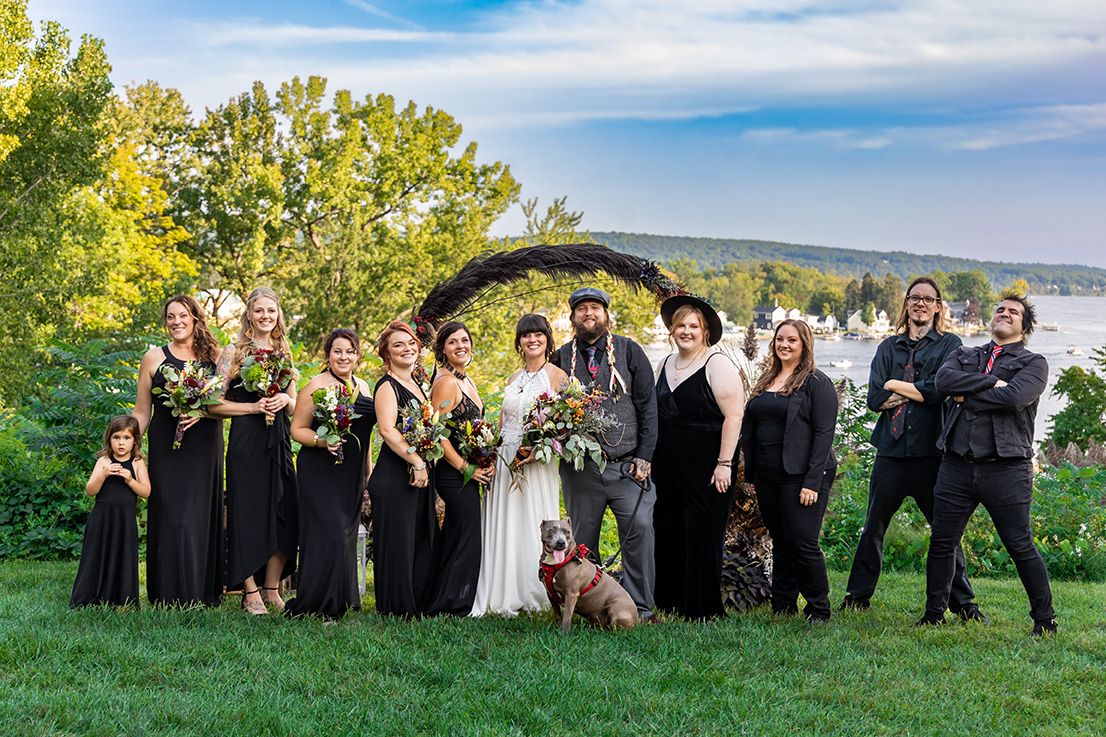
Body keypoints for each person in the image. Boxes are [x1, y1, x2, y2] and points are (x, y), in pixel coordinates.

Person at [841, 278, 981, 619]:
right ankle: (857, 597)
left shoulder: (950, 345)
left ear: (937, 306)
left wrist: (897, 385)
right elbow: (875, 398)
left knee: (944, 533)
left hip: (931, 455)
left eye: (928, 299)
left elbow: (939, 390)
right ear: (906, 303)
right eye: (915, 297)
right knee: (873, 528)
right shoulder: (888, 348)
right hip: (889, 452)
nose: (920, 303)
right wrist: (918, 390)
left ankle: (964, 605)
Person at [919, 293, 1057, 636]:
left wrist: (966, 395)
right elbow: (943, 383)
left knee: (1019, 544)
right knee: (942, 541)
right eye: (1000, 309)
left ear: (1025, 327)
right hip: (956, 465)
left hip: (1006, 469)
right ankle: (933, 615)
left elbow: (1013, 398)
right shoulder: (965, 354)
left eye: (1013, 312)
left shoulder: (1034, 363)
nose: (1004, 314)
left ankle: (1045, 620)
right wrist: (990, 382)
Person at [553, 287, 659, 622]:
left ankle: (641, 608)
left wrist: (644, 455)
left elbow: (648, 406)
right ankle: (592, 608)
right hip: (580, 470)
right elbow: (549, 407)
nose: (589, 313)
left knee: (639, 529)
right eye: (582, 308)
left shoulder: (629, 351)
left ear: (605, 314)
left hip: (627, 466)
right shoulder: (561, 357)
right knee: (583, 541)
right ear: (573, 317)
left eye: (595, 308)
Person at [652, 295, 744, 620]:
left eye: (693, 326)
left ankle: (703, 608)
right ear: (672, 330)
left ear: (705, 331)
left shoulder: (716, 364)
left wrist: (724, 464)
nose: (686, 331)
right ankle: (670, 601)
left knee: (702, 535)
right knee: (668, 530)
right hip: (666, 465)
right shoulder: (664, 364)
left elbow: (734, 415)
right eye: (680, 325)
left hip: (707, 465)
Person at [740, 319, 837, 622]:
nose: (784, 345)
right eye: (780, 339)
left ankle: (819, 607)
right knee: (780, 540)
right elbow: (752, 427)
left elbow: (824, 434)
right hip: (768, 475)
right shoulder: (767, 379)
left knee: (802, 541)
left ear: (804, 345)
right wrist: (752, 474)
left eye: (792, 340)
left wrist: (812, 482)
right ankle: (783, 604)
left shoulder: (817, 383)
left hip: (802, 475)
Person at [471, 314, 567, 616]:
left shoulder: (558, 376)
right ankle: (501, 587)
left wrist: (538, 449)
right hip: (506, 457)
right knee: (506, 520)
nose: (532, 339)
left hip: (537, 460)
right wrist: (490, 452)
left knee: (532, 519)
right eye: (526, 335)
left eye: (538, 334)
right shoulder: (513, 378)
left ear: (547, 339)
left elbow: (565, 426)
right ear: (519, 342)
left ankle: (535, 588)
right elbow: (504, 422)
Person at [133, 295, 224, 608]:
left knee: (198, 516)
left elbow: (225, 404)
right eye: (170, 317)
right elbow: (141, 412)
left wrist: (203, 411)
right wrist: (128, 447)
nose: (176, 322)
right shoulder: (153, 358)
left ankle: (202, 592)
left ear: (195, 318)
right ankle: (168, 593)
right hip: (166, 446)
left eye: (183, 315)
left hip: (204, 446)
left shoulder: (216, 357)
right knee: (173, 515)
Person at [213, 287, 298, 615]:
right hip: (246, 441)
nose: (265, 316)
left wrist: (285, 399)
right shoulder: (232, 353)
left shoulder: (284, 352)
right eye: (259, 310)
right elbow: (213, 404)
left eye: (271, 311)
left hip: (279, 439)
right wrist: (252, 407)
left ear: (278, 315)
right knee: (246, 512)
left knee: (286, 511)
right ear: (249, 314)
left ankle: (272, 587)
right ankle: (249, 591)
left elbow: (295, 406)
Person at [285, 328, 375, 620]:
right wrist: (323, 441)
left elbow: (366, 436)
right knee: (330, 533)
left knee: (345, 534)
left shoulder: (364, 387)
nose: (343, 357)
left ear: (357, 355)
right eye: (337, 351)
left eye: (350, 351)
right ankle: (321, 602)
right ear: (328, 355)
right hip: (320, 470)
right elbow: (297, 430)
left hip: (351, 473)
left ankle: (343, 598)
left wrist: (367, 471)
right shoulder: (317, 385)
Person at [368, 320, 438, 617]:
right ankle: (396, 607)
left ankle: (415, 601)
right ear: (387, 353)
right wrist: (417, 461)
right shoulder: (387, 386)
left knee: (415, 540)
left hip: (415, 472)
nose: (407, 348)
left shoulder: (417, 384)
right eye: (398, 345)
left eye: (411, 343)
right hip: (394, 475)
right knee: (398, 542)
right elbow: (387, 430)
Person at [425, 321, 495, 616]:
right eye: (452, 342)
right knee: (466, 536)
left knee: (458, 534)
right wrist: (466, 466)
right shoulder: (446, 382)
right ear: (442, 349)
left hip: (467, 473)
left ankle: (447, 600)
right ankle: (454, 604)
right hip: (452, 474)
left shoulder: (466, 380)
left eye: (464, 340)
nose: (460, 346)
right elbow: (437, 432)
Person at [70, 416, 151, 608]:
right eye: (116, 437)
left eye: (126, 438)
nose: (121, 442)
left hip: (124, 520)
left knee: (122, 556)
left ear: (135, 440)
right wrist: (103, 474)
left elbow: (146, 492)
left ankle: (122, 599)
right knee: (95, 555)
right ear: (109, 439)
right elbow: (90, 491)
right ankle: (89, 597)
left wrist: (130, 480)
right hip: (102, 519)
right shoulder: (104, 461)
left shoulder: (137, 462)